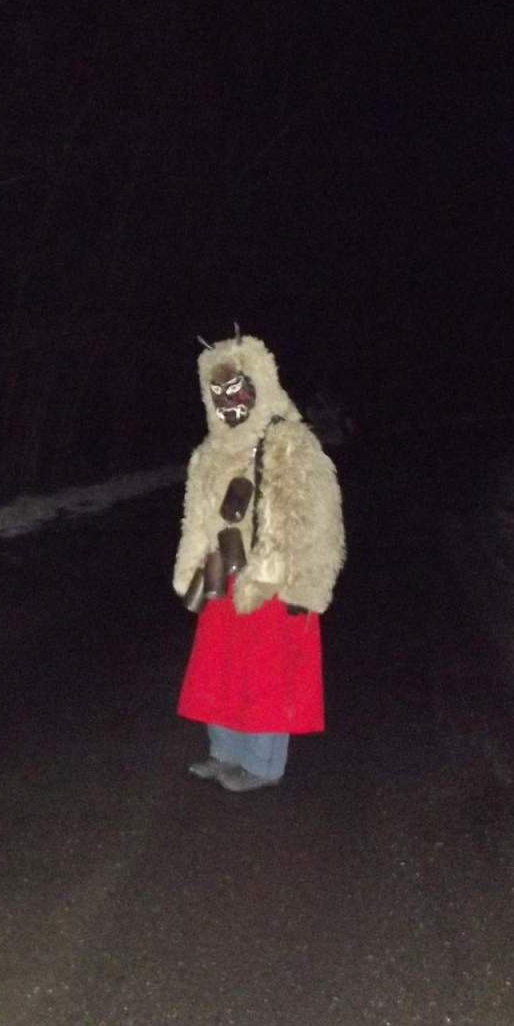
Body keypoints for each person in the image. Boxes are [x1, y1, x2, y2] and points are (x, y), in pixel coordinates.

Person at [172, 333, 345, 792]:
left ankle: (262, 766)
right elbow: (197, 515)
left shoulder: (288, 442)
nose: (228, 402)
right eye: (218, 391)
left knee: (266, 673)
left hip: (273, 578)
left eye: (237, 389)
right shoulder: (210, 452)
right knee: (219, 667)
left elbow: (318, 518)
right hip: (221, 574)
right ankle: (224, 752)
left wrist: (303, 585)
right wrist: (191, 567)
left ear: (258, 384)